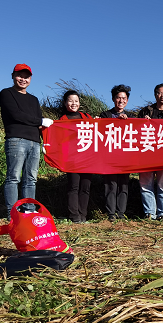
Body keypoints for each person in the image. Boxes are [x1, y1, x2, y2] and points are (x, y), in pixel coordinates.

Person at [0, 64, 53, 219]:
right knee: (13, 177)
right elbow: (17, 115)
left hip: (34, 142)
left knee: (31, 179)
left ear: (30, 79)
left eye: (26, 76)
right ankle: (13, 214)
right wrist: (39, 120)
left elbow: (40, 124)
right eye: (19, 75)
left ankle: (29, 211)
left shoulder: (34, 99)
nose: (23, 79)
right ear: (13, 76)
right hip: (16, 140)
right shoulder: (6, 93)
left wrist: (45, 142)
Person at [137, 84, 163, 220]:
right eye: (160, 93)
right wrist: (143, 123)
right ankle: (149, 212)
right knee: (145, 184)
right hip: (146, 154)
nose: (162, 96)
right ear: (155, 95)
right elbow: (136, 131)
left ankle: (162, 213)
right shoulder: (145, 112)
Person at [100, 84, 133, 221]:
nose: (121, 101)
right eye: (118, 98)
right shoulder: (105, 115)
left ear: (127, 100)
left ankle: (121, 212)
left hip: (125, 156)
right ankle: (111, 213)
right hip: (110, 156)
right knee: (111, 184)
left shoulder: (131, 116)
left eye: (124, 98)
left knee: (124, 184)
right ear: (113, 99)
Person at [59, 90, 93, 223]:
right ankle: (74, 215)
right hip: (72, 159)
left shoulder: (87, 116)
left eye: (76, 101)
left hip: (87, 158)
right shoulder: (62, 120)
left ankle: (83, 215)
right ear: (65, 103)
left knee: (85, 187)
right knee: (74, 186)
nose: (74, 103)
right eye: (70, 101)